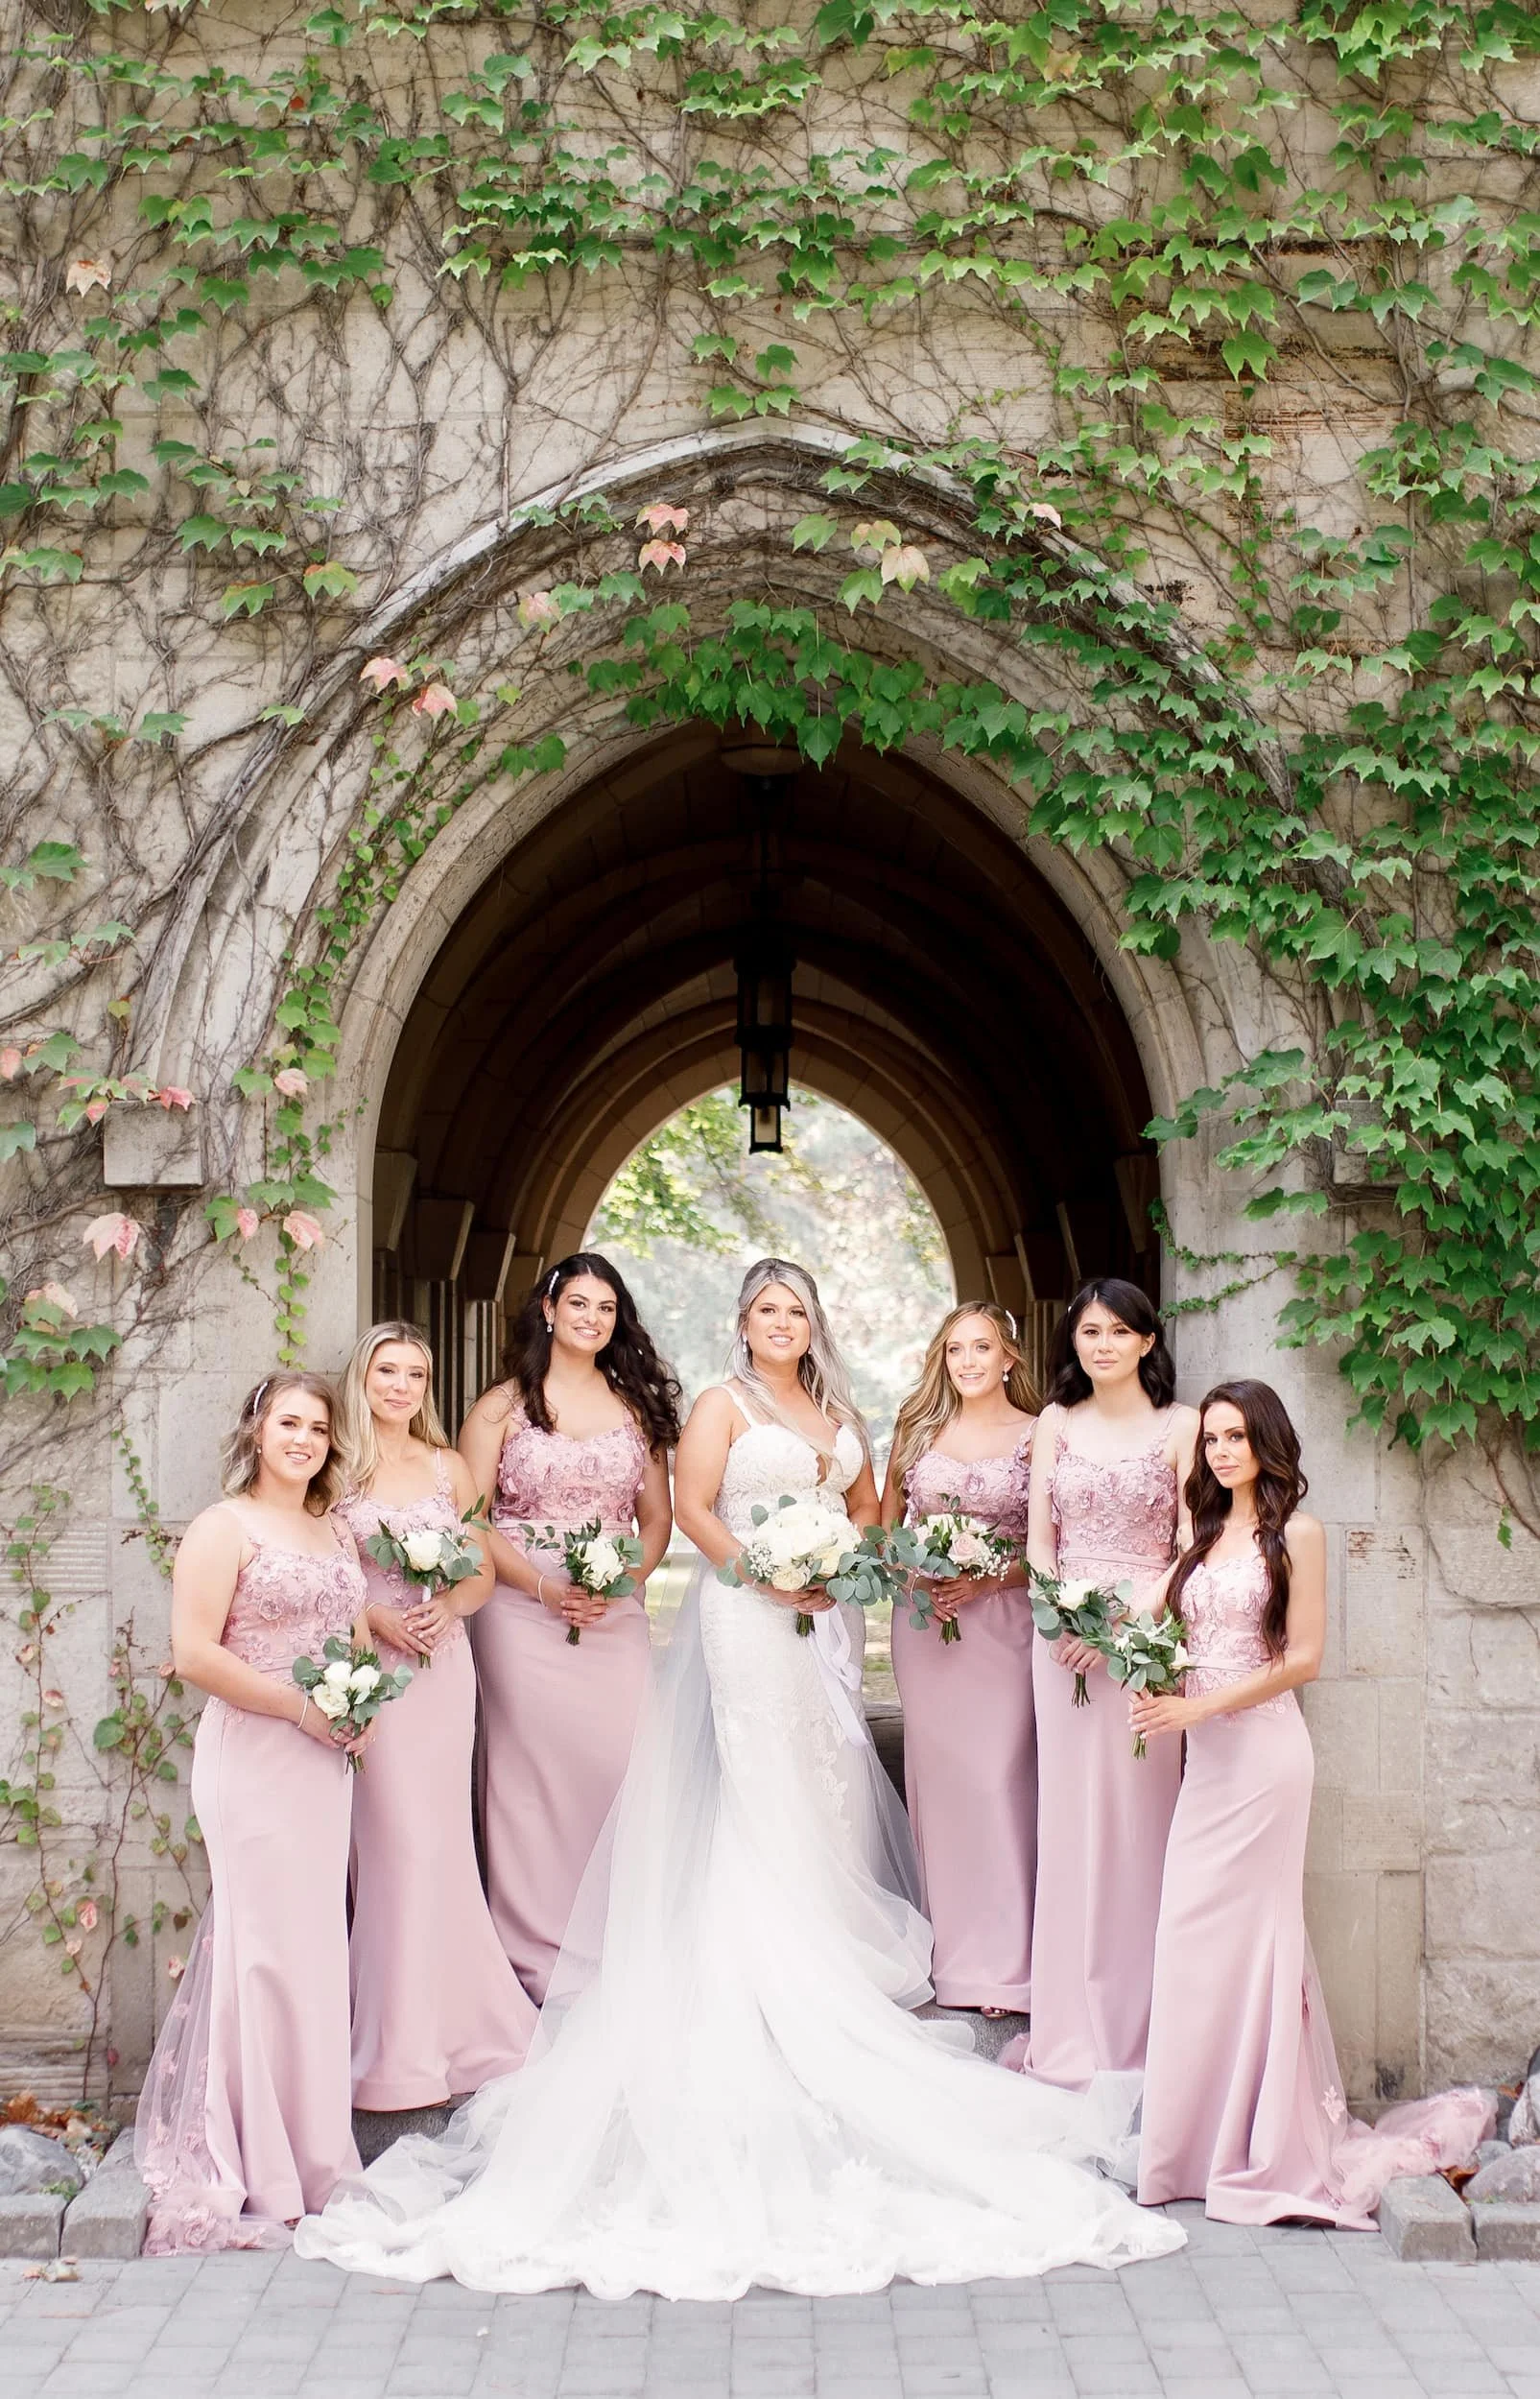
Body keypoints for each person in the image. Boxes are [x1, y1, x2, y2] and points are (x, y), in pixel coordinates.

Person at [296, 1260, 1183, 2298]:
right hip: (749, 1611)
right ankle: (752, 1959)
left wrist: (832, 1559)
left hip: (825, 1616)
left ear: (814, 1322)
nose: (781, 1322)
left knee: (827, 1779)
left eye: (797, 1308)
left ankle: (825, 1934)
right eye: (766, 1309)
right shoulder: (718, 1403)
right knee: (755, 1776)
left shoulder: (840, 1407)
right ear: (743, 1323)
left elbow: (861, 1501)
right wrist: (761, 1572)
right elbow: (701, 1511)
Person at [1133, 1380, 1492, 2221]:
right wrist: (1121, 1648)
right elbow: (1147, 1620)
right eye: (1212, 1439)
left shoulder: (1297, 1532)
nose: (1221, 1451)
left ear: (1267, 1442)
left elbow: (1303, 1660)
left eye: (1235, 1437)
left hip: (1261, 1758)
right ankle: (1187, 2145)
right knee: (1190, 1938)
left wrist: (1195, 1706)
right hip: (1206, 1760)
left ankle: (1261, 2144)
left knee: (1258, 1942)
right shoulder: (1203, 1536)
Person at [136, 1375, 372, 2250]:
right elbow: (194, 1654)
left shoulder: (332, 1526)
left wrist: (360, 1704)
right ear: (258, 1431)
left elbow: (349, 1632)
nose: (304, 1439)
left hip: (325, 1762)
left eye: (317, 1427)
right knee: (261, 1952)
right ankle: (254, 2155)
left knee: (311, 1951)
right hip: (256, 1759)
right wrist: (302, 1708)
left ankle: (315, 2154)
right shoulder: (221, 1527)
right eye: (289, 1424)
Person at [458, 1254, 679, 2003]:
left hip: (611, 1613)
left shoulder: (636, 1408)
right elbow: (470, 1521)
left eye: (606, 1308)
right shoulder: (498, 1409)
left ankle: (615, 1933)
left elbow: (656, 1520)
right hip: (519, 1610)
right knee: (529, 1776)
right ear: (547, 1309)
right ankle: (533, 1950)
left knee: (618, 1766)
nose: (591, 1317)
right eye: (578, 1302)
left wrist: (624, 1581)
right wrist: (543, 1585)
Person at [334, 1322, 536, 2111]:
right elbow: (324, 1569)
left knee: (439, 1840)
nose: (400, 1387)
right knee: (391, 1845)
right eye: (387, 1370)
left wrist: (448, 1609)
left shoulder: (450, 1467)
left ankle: (459, 2028)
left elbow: (482, 1573)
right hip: (372, 1668)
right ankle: (394, 2043)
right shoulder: (337, 1471)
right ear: (363, 1376)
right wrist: (376, 1620)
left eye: (414, 1374)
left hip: (442, 1669)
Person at [1007, 1278, 1198, 2089]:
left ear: (1147, 1343)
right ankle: (1067, 2025)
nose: (1102, 1345)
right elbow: (1038, 1540)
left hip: (1144, 1639)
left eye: (1119, 1332)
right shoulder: (1056, 1422)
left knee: (1136, 1820)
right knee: (1069, 1819)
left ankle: (1139, 2022)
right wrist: (1064, 1617)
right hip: (1061, 1644)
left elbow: (1193, 1542)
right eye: (1088, 1332)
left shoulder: (1181, 1426)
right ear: (1073, 1343)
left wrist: (1121, 1627)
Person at [883, 1301, 1038, 2016]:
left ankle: (1008, 1964)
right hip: (927, 1624)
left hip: (1003, 1623)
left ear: (1009, 1356)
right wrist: (919, 1573)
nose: (968, 1362)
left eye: (982, 1348)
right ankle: (950, 1955)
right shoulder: (915, 1433)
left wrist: (987, 1577)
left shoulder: (1040, 1436)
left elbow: (1049, 1551)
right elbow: (884, 1533)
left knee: (1000, 1781)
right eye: (954, 1351)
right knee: (942, 1786)